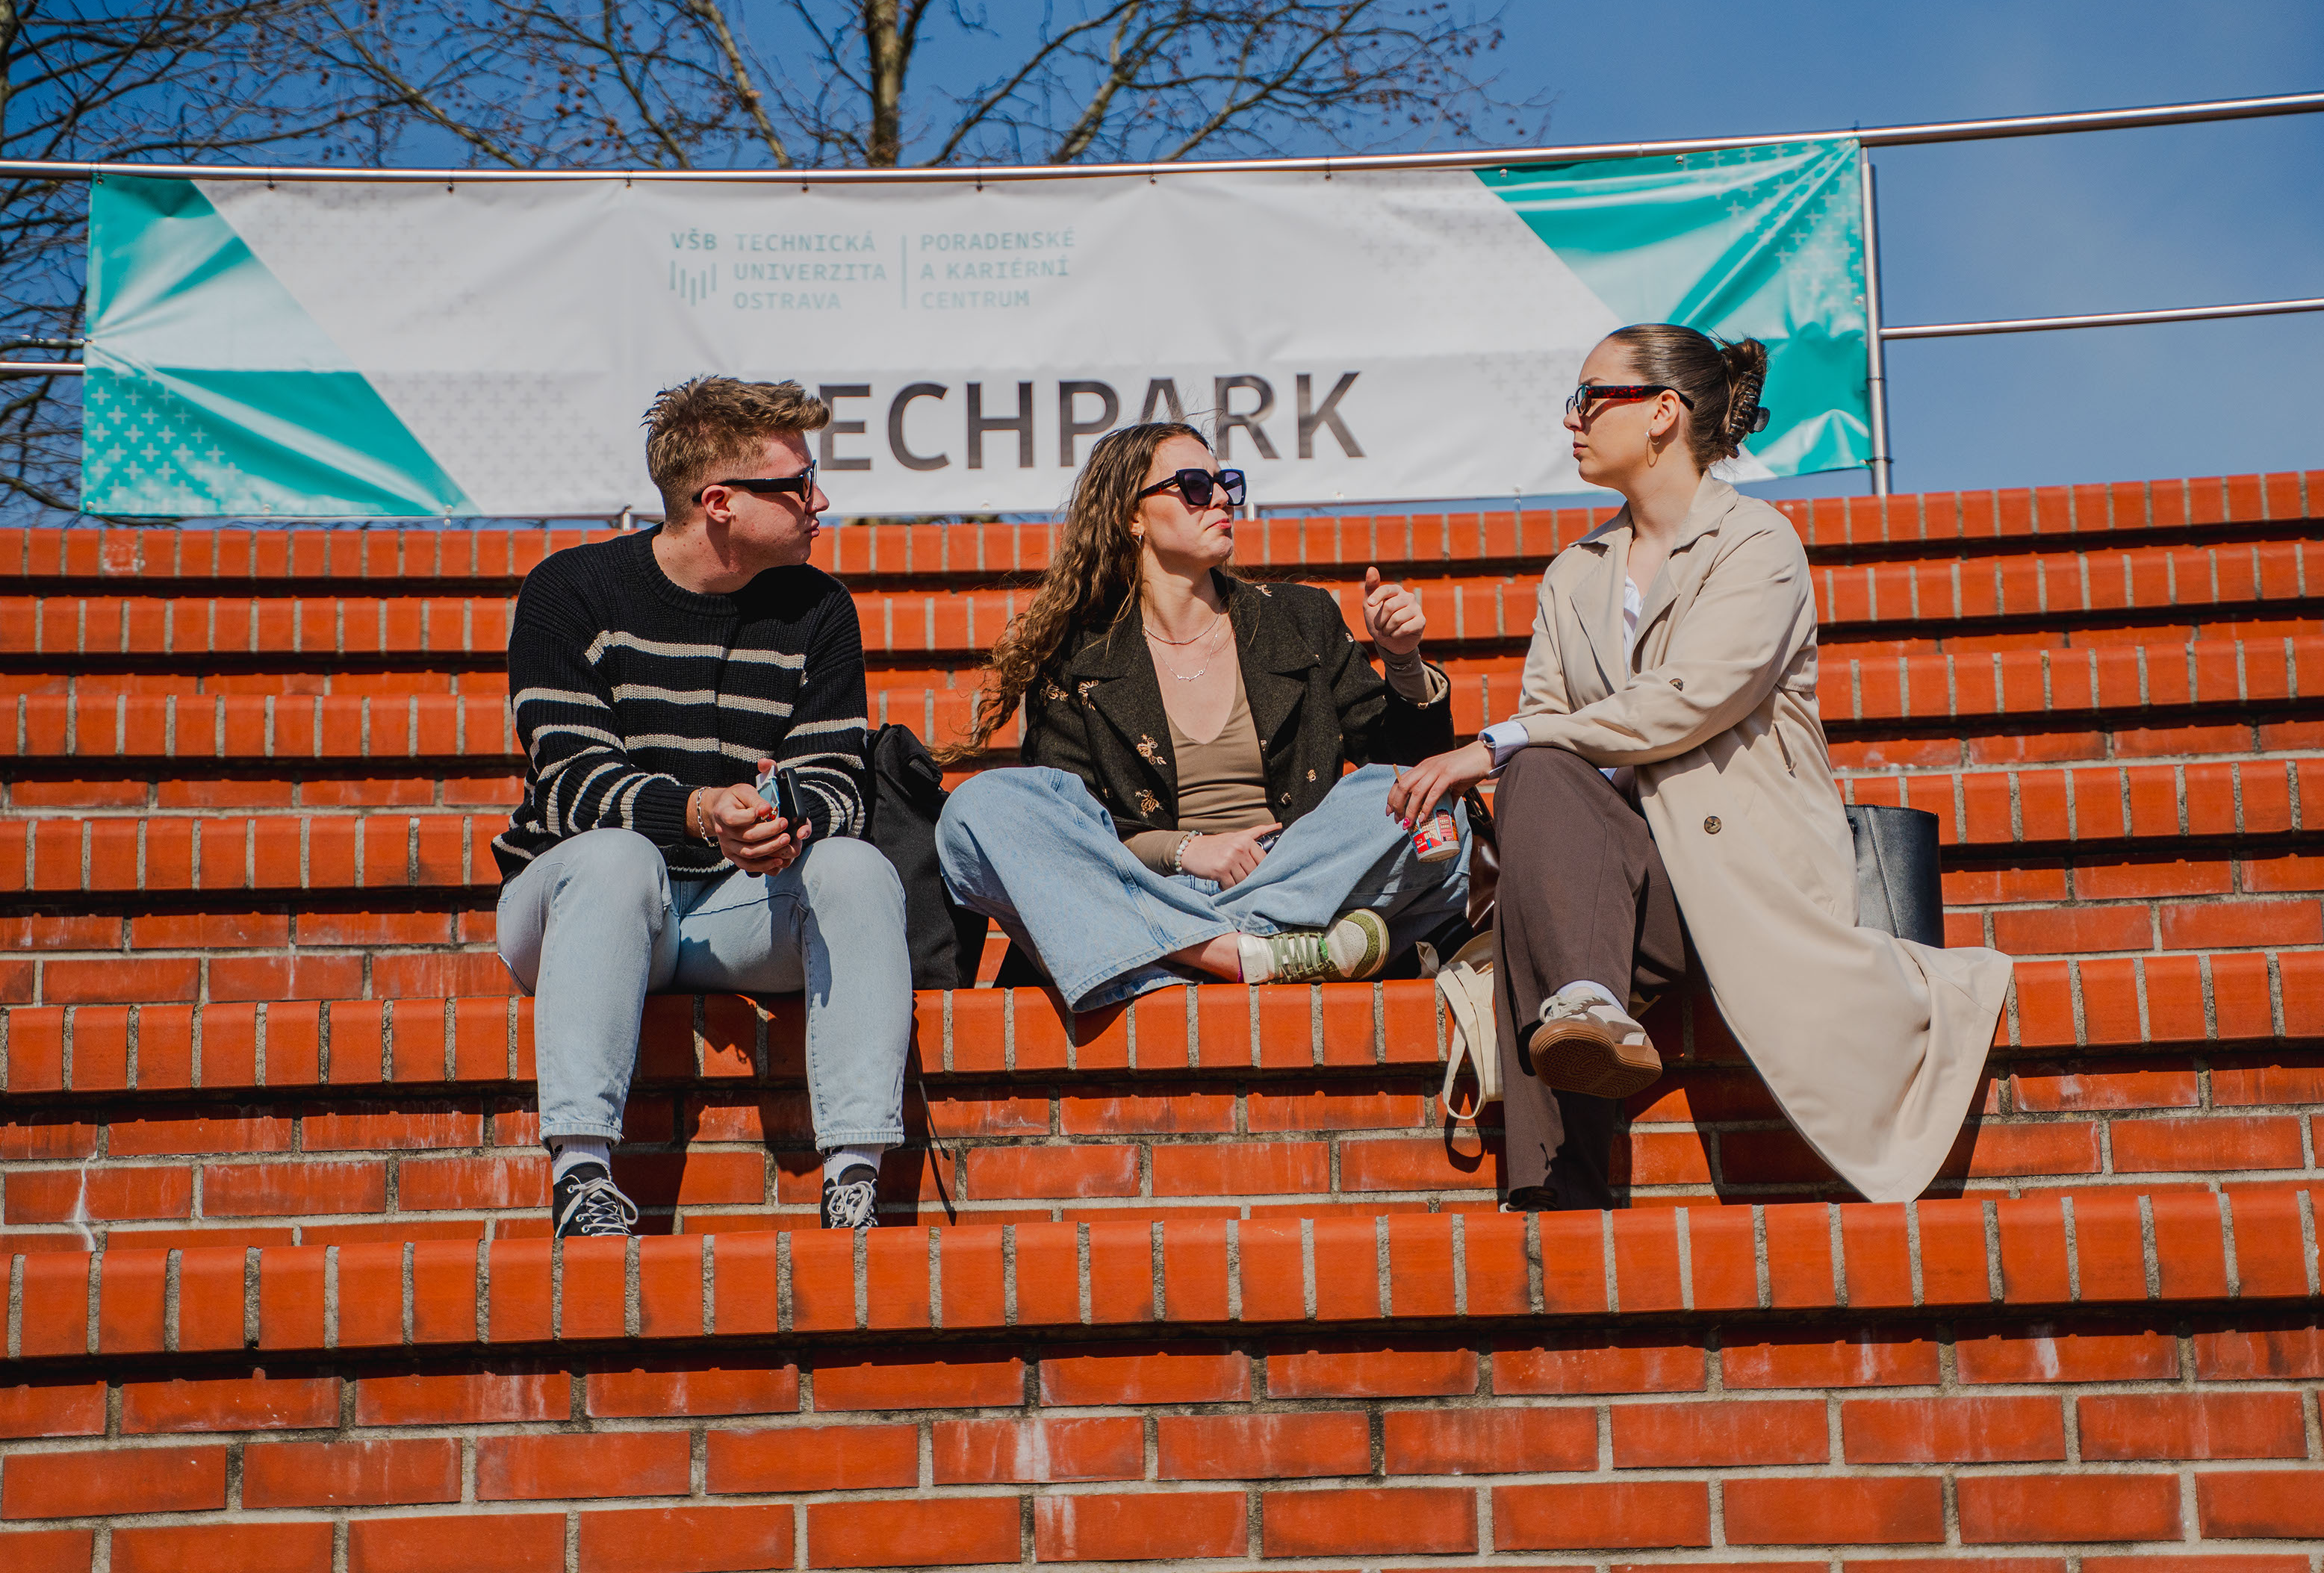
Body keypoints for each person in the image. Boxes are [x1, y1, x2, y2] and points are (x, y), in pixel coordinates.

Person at [1390, 325, 2011, 1208]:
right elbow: (1548, 722)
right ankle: (1581, 1035)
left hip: (1732, 870)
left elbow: (1690, 698)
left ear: (1661, 413)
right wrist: (1518, 747)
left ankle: (1556, 1170)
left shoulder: (1754, 542)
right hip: (1618, 875)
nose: (1571, 418)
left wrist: (1491, 744)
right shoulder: (1572, 573)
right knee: (1537, 783)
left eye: (1590, 397)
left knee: (1527, 766)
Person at [493, 377, 913, 1238]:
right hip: (586, 909)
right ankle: (582, 1176)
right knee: (617, 857)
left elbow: (839, 782)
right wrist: (700, 812)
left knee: (856, 867)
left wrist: (780, 817)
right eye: (797, 483)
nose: (819, 500)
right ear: (719, 502)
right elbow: (573, 786)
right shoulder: (571, 591)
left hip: (739, 906)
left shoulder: (819, 609)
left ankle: (855, 1180)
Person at [934, 421, 1471, 1010]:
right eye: (1194, 485)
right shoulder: (1077, 656)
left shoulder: (1300, 618)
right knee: (976, 809)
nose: (1220, 499)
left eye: (1225, 484)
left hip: (1296, 872)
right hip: (1156, 881)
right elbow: (1077, 829)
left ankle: (1174, 954)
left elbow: (1413, 769)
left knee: (1427, 803)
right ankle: (1241, 953)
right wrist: (1186, 849)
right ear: (1132, 516)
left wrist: (1403, 661)